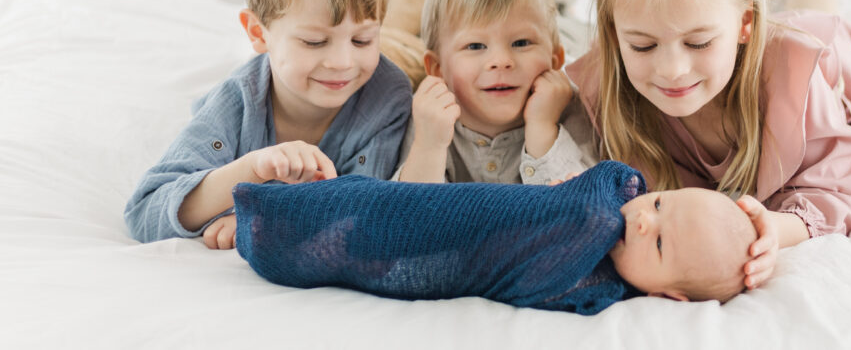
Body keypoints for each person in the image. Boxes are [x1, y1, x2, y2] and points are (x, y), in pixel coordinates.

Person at [565, 0, 851, 290]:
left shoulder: (794, 73)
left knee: (815, 13)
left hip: (805, 57)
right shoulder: (608, 81)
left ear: (745, 23)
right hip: (741, 38)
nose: (672, 70)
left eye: (698, 43)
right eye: (643, 45)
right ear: (613, 34)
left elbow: (834, 191)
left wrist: (773, 229)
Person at [124, 0, 413, 248]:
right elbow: (144, 212)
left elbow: (363, 210)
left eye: (363, 39)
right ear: (259, 34)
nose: (342, 62)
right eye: (314, 41)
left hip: (403, 50)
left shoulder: (387, 94)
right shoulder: (236, 102)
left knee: (420, 35)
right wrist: (253, 170)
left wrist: (258, 215)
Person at [232, 160, 757, 314]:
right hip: (440, 213)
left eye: (660, 244)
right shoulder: (608, 207)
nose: (642, 220)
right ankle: (263, 210)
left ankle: (264, 225)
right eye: (659, 204)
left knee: (355, 245)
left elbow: (539, 287)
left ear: (668, 296)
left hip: (441, 260)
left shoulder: (601, 287)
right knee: (361, 203)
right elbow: (602, 181)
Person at [394, 0, 599, 185]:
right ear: (438, 69)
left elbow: (585, 208)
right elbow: (409, 212)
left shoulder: (573, 107)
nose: (501, 61)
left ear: (554, 60)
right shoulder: (428, 116)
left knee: (565, 17)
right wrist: (429, 145)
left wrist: (543, 129)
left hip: (573, 36)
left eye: (521, 43)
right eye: (475, 46)